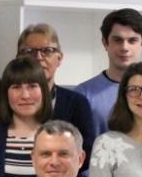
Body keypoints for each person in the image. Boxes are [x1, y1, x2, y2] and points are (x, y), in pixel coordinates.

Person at [75, 8, 142, 140]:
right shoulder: (83, 95)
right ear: (105, 43)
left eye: (132, 40)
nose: (125, 47)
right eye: (118, 40)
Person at [14, 23, 95, 161]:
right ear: (18, 58)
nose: (39, 57)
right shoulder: (8, 101)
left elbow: (87, 154)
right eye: (30, 51)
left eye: (47, 50)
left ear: (59, 58)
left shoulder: (77, 103)